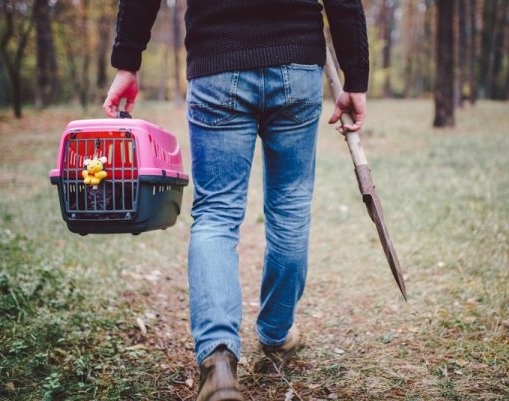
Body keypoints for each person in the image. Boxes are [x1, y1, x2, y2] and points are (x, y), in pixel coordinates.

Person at [103, 1, 369, 399]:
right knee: (291, 206)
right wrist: (356, 77)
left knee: (216, 214)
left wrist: (128, 61)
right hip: (296, 62)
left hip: (217, 61)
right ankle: (277, 332)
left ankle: (219, 361)